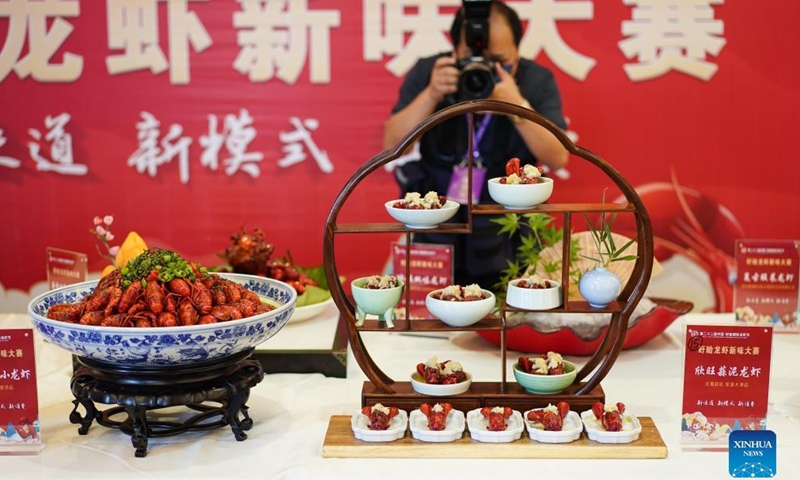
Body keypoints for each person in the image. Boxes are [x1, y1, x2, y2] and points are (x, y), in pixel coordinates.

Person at [384, 0, 569, 290]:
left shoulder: (534, 80)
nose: (484, 68)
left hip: (510, 219)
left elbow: (558, 157)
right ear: (455, 50)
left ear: (517, 53)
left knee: (514, 307)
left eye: (499, 61)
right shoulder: (433, 72)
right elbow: (392, 146)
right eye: (471, 59)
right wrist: (431, 94)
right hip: (437, 216)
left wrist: (516, 105)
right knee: (426, 308)